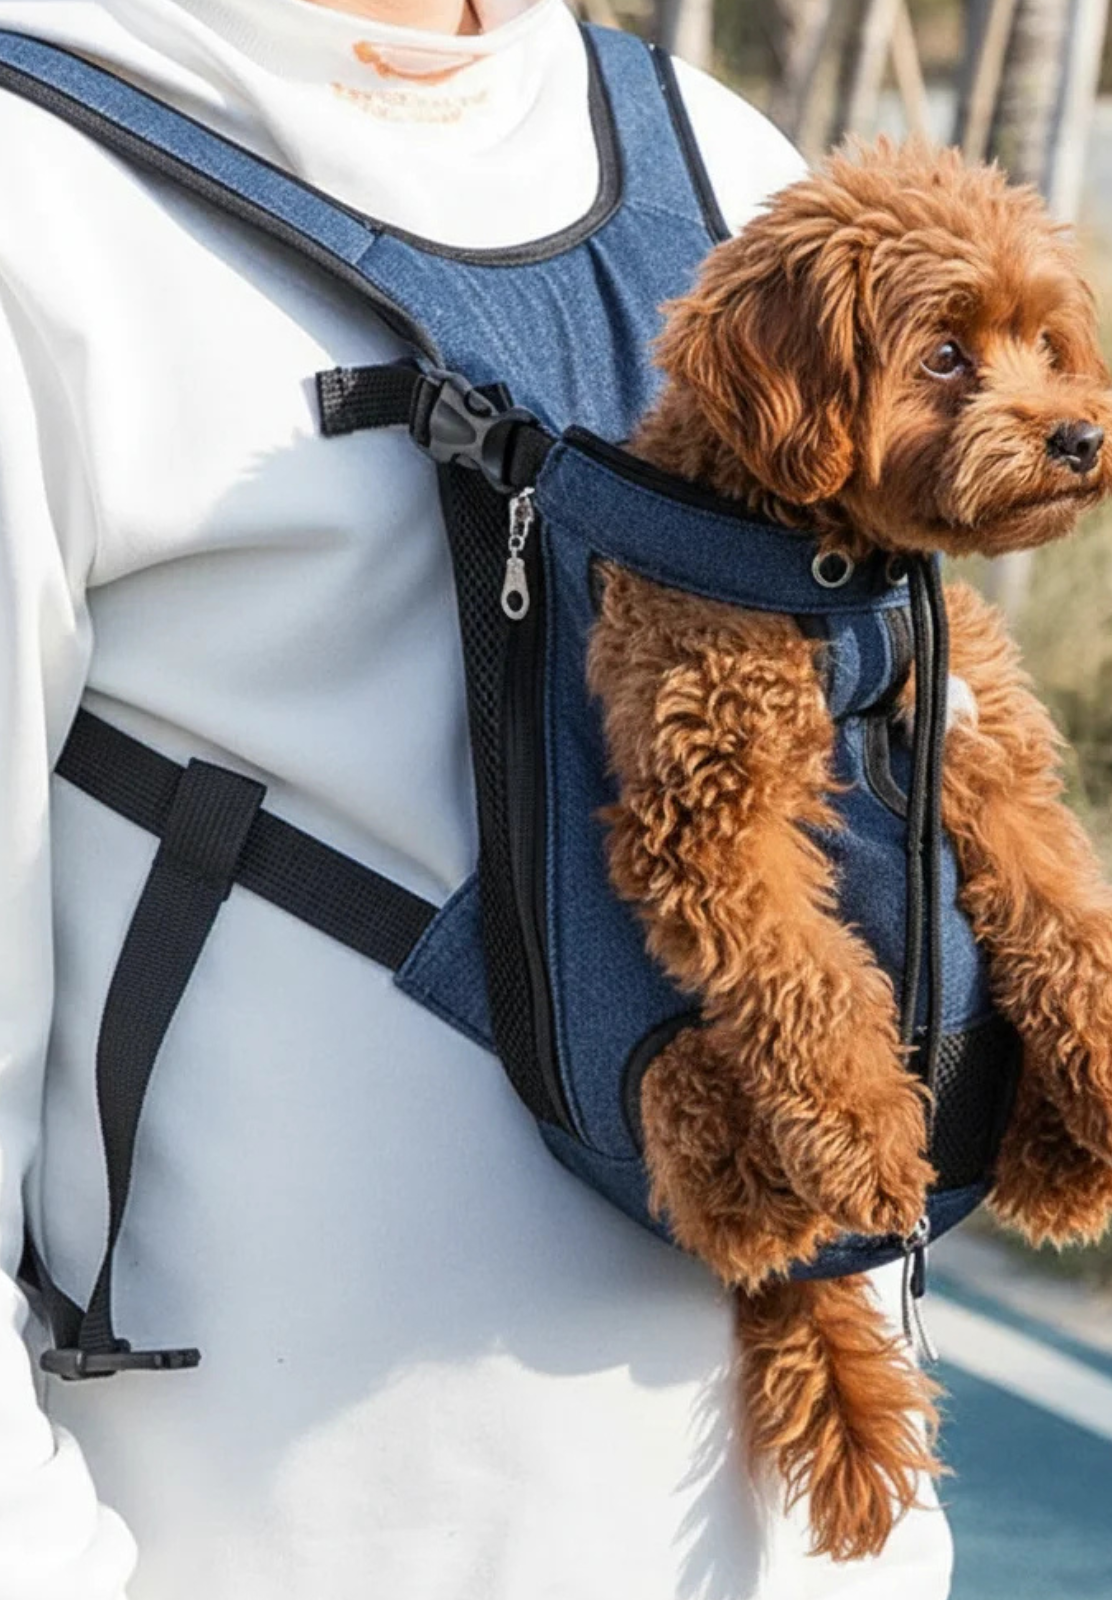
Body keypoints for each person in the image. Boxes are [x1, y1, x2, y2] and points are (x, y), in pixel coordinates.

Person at [0, 0, 955, 1594]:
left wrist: (891, 1555)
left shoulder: (715, 160)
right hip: (257, 1542)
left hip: (795, 1533)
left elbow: (889, 819)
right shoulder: (42, 194)